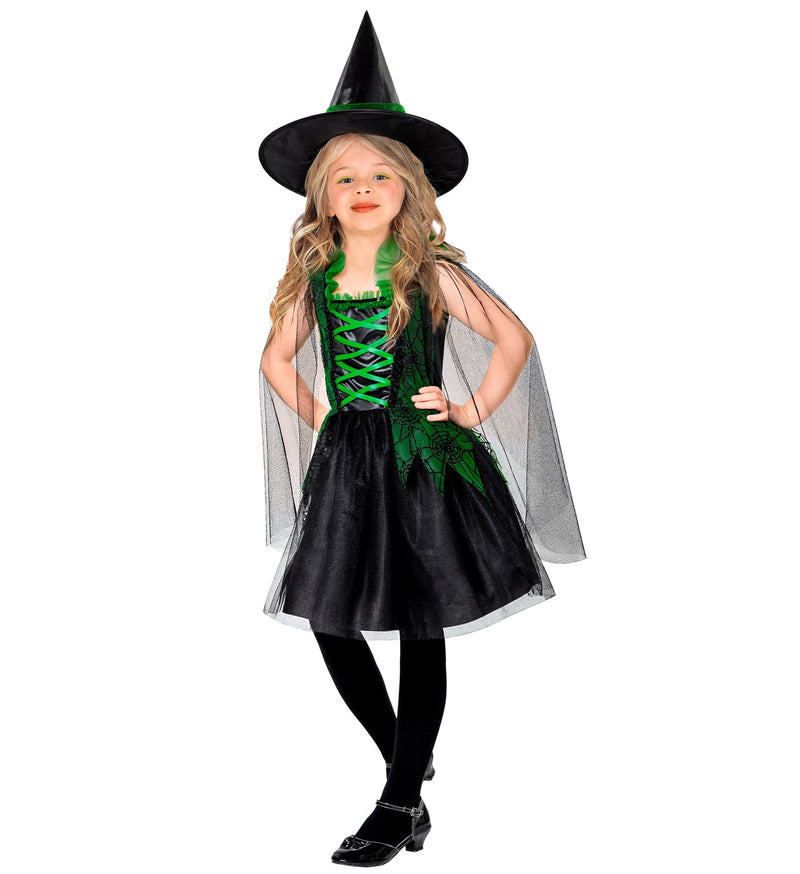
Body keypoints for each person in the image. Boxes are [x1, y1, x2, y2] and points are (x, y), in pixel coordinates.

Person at [257, 12, 586, 867]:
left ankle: (400, 802)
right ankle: (404, 755)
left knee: (419, 621)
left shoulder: (429, 273)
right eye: (344, 178)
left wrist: (469, 411)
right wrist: (325, 414)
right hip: (349, 468)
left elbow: (515, 339)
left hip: (423, 464)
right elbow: (273, 360)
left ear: (407, 188)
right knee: (329, 619)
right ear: (322, 196)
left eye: (379, 175)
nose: (362, 188)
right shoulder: (316, 279)